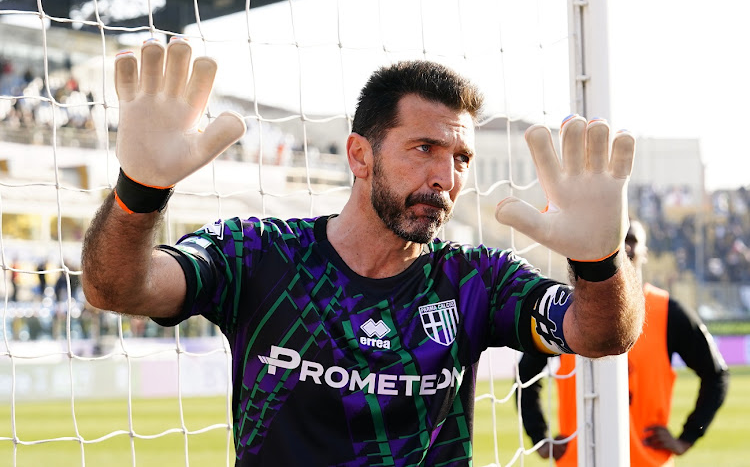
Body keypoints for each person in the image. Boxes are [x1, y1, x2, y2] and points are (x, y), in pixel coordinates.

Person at [81, 38, 645, 466]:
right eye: (424, 147)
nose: (445, 177)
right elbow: (117, 288)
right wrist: (140, 193)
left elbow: (600, 334)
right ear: (359, 155)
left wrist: (600, 263)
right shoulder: (257, 252)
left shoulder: (477, 281)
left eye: (461, 158)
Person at [517, 220, 729, 467]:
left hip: (647, 461)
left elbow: (716, 375)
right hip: (579, 460)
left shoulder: (668, 312)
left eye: (631, 239)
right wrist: (539, 437)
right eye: (616, 238)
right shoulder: (566, 310)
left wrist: (688, 436)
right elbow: (525, 375)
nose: (623, 247)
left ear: (645, 252)